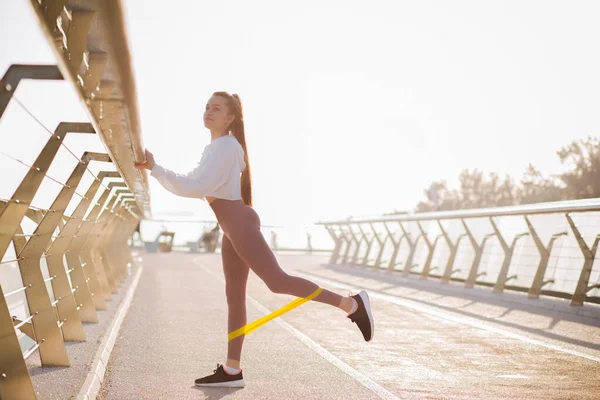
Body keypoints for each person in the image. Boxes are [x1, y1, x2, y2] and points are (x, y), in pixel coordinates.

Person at [134, 92, 374, 388]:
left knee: (277, 282)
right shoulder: (217, 148)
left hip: (238, 222)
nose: (209, 111)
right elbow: (192, 180)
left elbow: (194, 187)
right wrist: (156, 170)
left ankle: (351, 305)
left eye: (217, 108)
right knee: (234, 296)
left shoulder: (225, 147)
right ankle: (232, 370)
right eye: (207, 107)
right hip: (231, 225)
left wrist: (155, 169)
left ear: (230, 118)